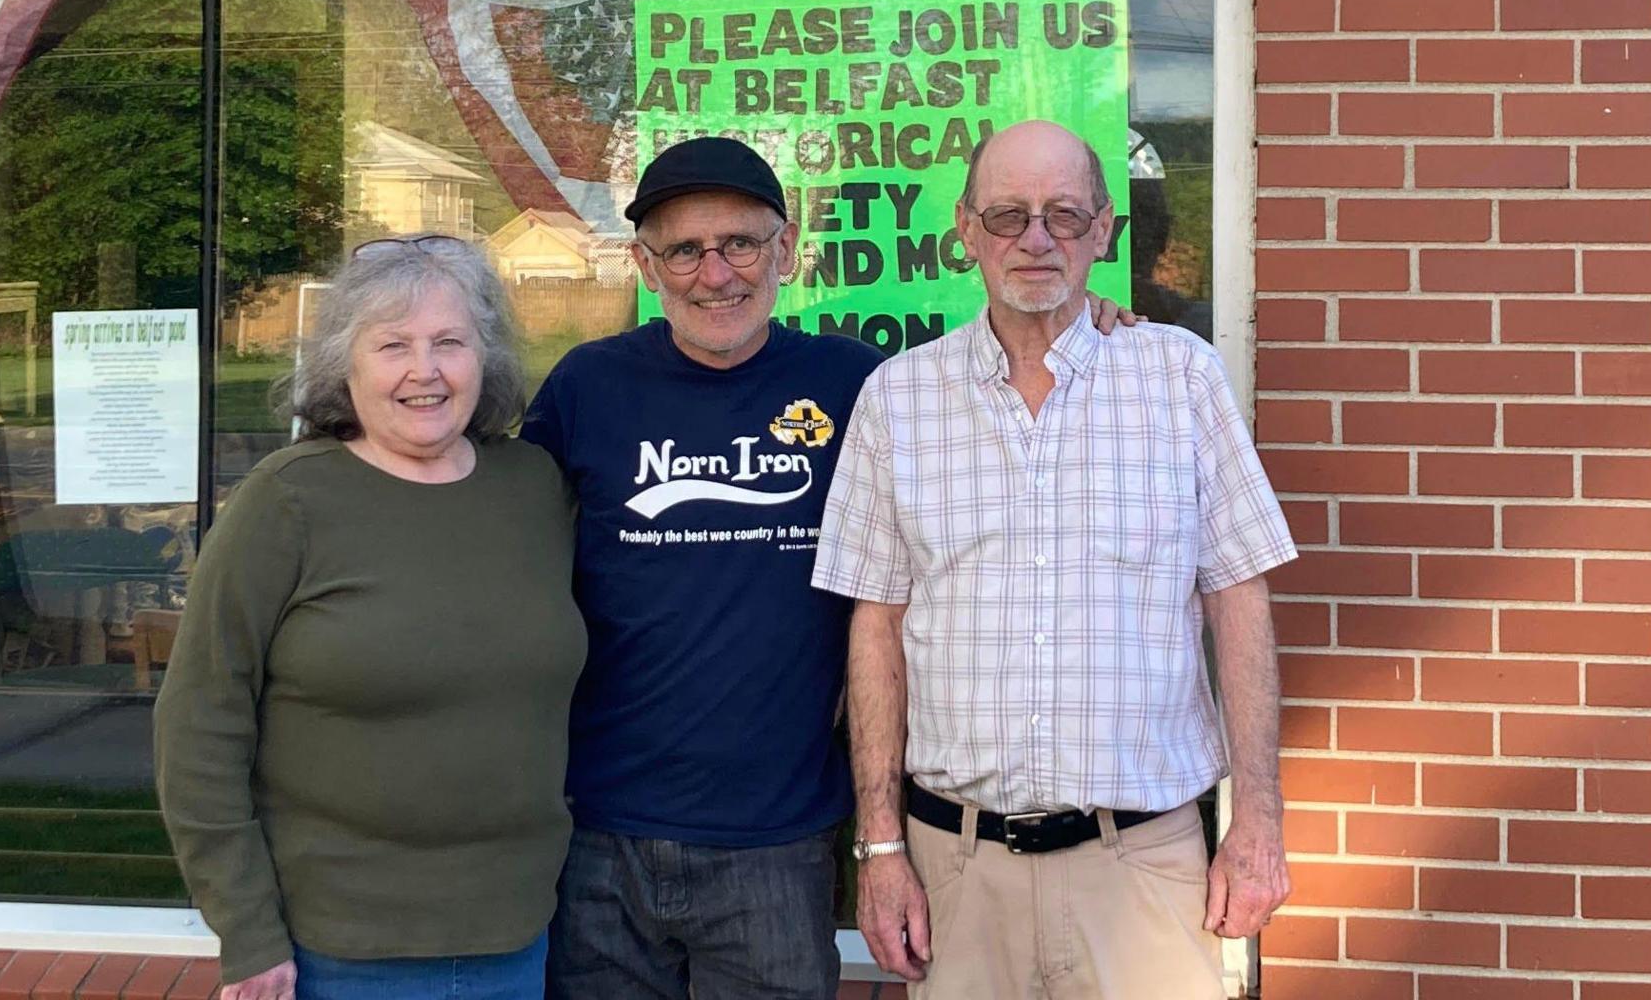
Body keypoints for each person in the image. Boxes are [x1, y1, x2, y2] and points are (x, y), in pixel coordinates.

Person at [814, 122, 1299, 1000]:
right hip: (955, 870)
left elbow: (1240, 599)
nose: (1035, 240)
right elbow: (876, 629)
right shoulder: (897, 398)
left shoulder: (1180, 379)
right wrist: (879, 849)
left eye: (1064, 216)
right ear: (965, 230)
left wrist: (1257, 821)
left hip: (1145, 865)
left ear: (1105, 230)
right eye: (1007, 215)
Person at [157, 235, 585, 1000]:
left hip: (517, 937)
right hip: (338, 952)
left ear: (483, 358)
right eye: (393, 345)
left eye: (449, 342)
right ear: (344, 366)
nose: (425, 370)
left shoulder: (534, 488)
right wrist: (247, 930)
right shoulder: (285, 502)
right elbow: (199, 726)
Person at [520, 135, 880, 1000]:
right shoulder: (585, 388)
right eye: (685, 250)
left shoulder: (860, 386)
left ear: (786, 250)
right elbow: (489, 530)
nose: (715, 273)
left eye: (741, 243)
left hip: (776, 843)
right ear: (648, 267)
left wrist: (1086, 320)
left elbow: (981, 403)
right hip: (599, 834)